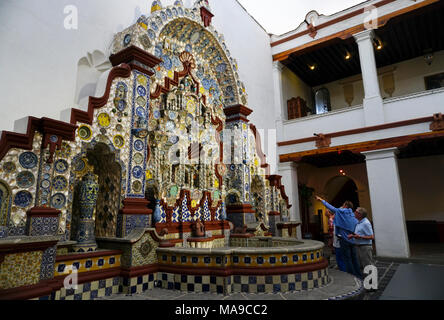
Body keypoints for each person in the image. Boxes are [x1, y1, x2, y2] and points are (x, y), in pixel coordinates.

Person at [316, 196, 362, 279]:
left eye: (343, 205)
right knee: (354, 258)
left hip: (344, 239)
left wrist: (321, 200)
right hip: (353, 239)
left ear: (345, 205)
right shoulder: (352, 215)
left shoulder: (341, 212)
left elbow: (331, 208)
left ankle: (351, 276)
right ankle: (358, 274)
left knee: (347, 259)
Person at [348, 207, 375, 275]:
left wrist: (359, 237)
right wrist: (353, 235)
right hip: (359, 246)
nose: (354, 213)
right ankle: (366, 281)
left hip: (365, 247)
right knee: (361, 265)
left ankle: (372, 282)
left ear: (360, 214)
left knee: (368, 265)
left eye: (356, 212)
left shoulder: (366, 223)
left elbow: (371, 237)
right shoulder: (359, 222)